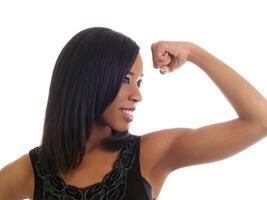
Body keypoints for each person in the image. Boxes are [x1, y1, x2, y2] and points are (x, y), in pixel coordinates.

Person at [0, 27, 267, 200]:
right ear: (90, 79)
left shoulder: (149, 154)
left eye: (138, 82)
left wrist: (193, 52)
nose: (137, 95)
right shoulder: (33, 169)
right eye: (126, 79)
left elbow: (260, 121)